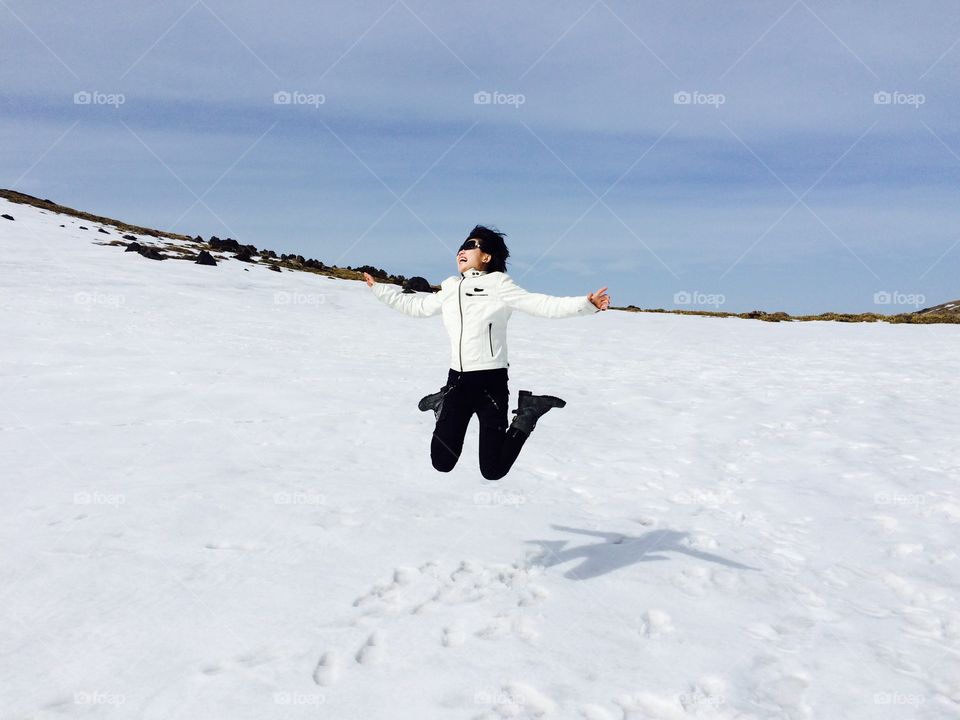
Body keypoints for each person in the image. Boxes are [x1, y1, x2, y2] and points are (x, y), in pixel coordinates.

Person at [364, 225, 610, 480]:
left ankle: (528, 413)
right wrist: (379, 289)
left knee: (492, 470)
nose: (462, 250)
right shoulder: (450, 287)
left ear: (486, 257)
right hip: (457, 383)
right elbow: (416, 306)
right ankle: (442, 403)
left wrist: (585, 304)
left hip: (491, 383)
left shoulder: (499, 284)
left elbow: (541, 304)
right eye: (461, 246)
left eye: (471, 245)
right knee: (442, 462)